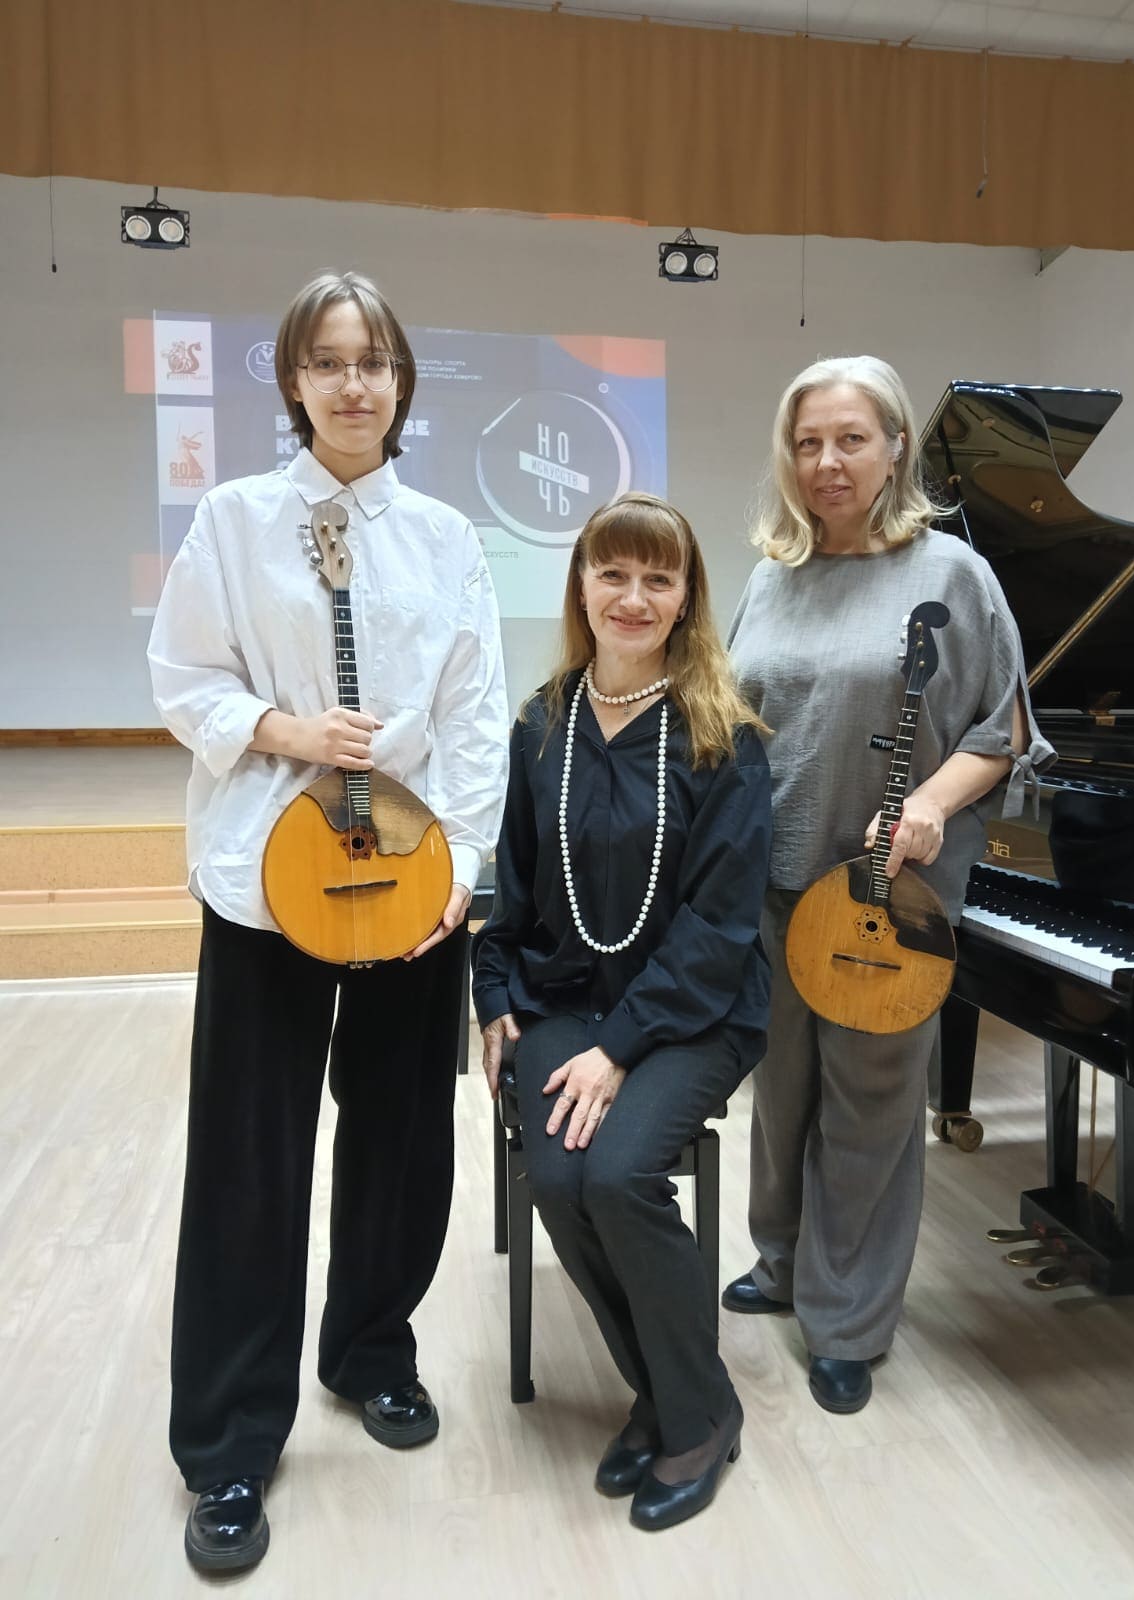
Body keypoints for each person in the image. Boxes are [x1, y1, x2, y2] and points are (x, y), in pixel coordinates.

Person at [147, 271, 508, 1573]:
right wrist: (285, 729)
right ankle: (230, 1440)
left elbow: (475, 711)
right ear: (294, 382)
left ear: (402, 382)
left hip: (412, 875)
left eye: (375, 361)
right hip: (267, 874)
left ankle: (370, 1350)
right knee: (250, 1154)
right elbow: (183, 674)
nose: (354, 384)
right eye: (329, 361)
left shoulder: (449, 538)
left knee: (403, 1134)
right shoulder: (235, 519)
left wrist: (466, 864)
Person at [722, 356, 1054, 1415]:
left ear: (897, 446)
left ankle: (849, 1321)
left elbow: (1005, 730)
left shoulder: (952, 573)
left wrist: (931, 805)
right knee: (781, 1089)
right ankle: (781, 1262)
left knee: (868, 1104)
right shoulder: (772, 575)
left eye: (851, 439)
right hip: (775, 880)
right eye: (808, 442)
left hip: (887, 896)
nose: (827, 462)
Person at [472, 492, 772, 1531]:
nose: (633, 597)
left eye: (658, 578)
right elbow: (512, 894)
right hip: (564, 997)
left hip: (694, 1012)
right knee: (558, 1173)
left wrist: (619, 1049)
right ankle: (667, 1389)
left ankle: (696, 1415)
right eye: (613, 573)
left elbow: (719, 928)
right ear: (581, 586)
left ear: (687, 597)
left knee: (619, 1172)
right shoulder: (542, 722)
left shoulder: (725, 736)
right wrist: (492, 996)